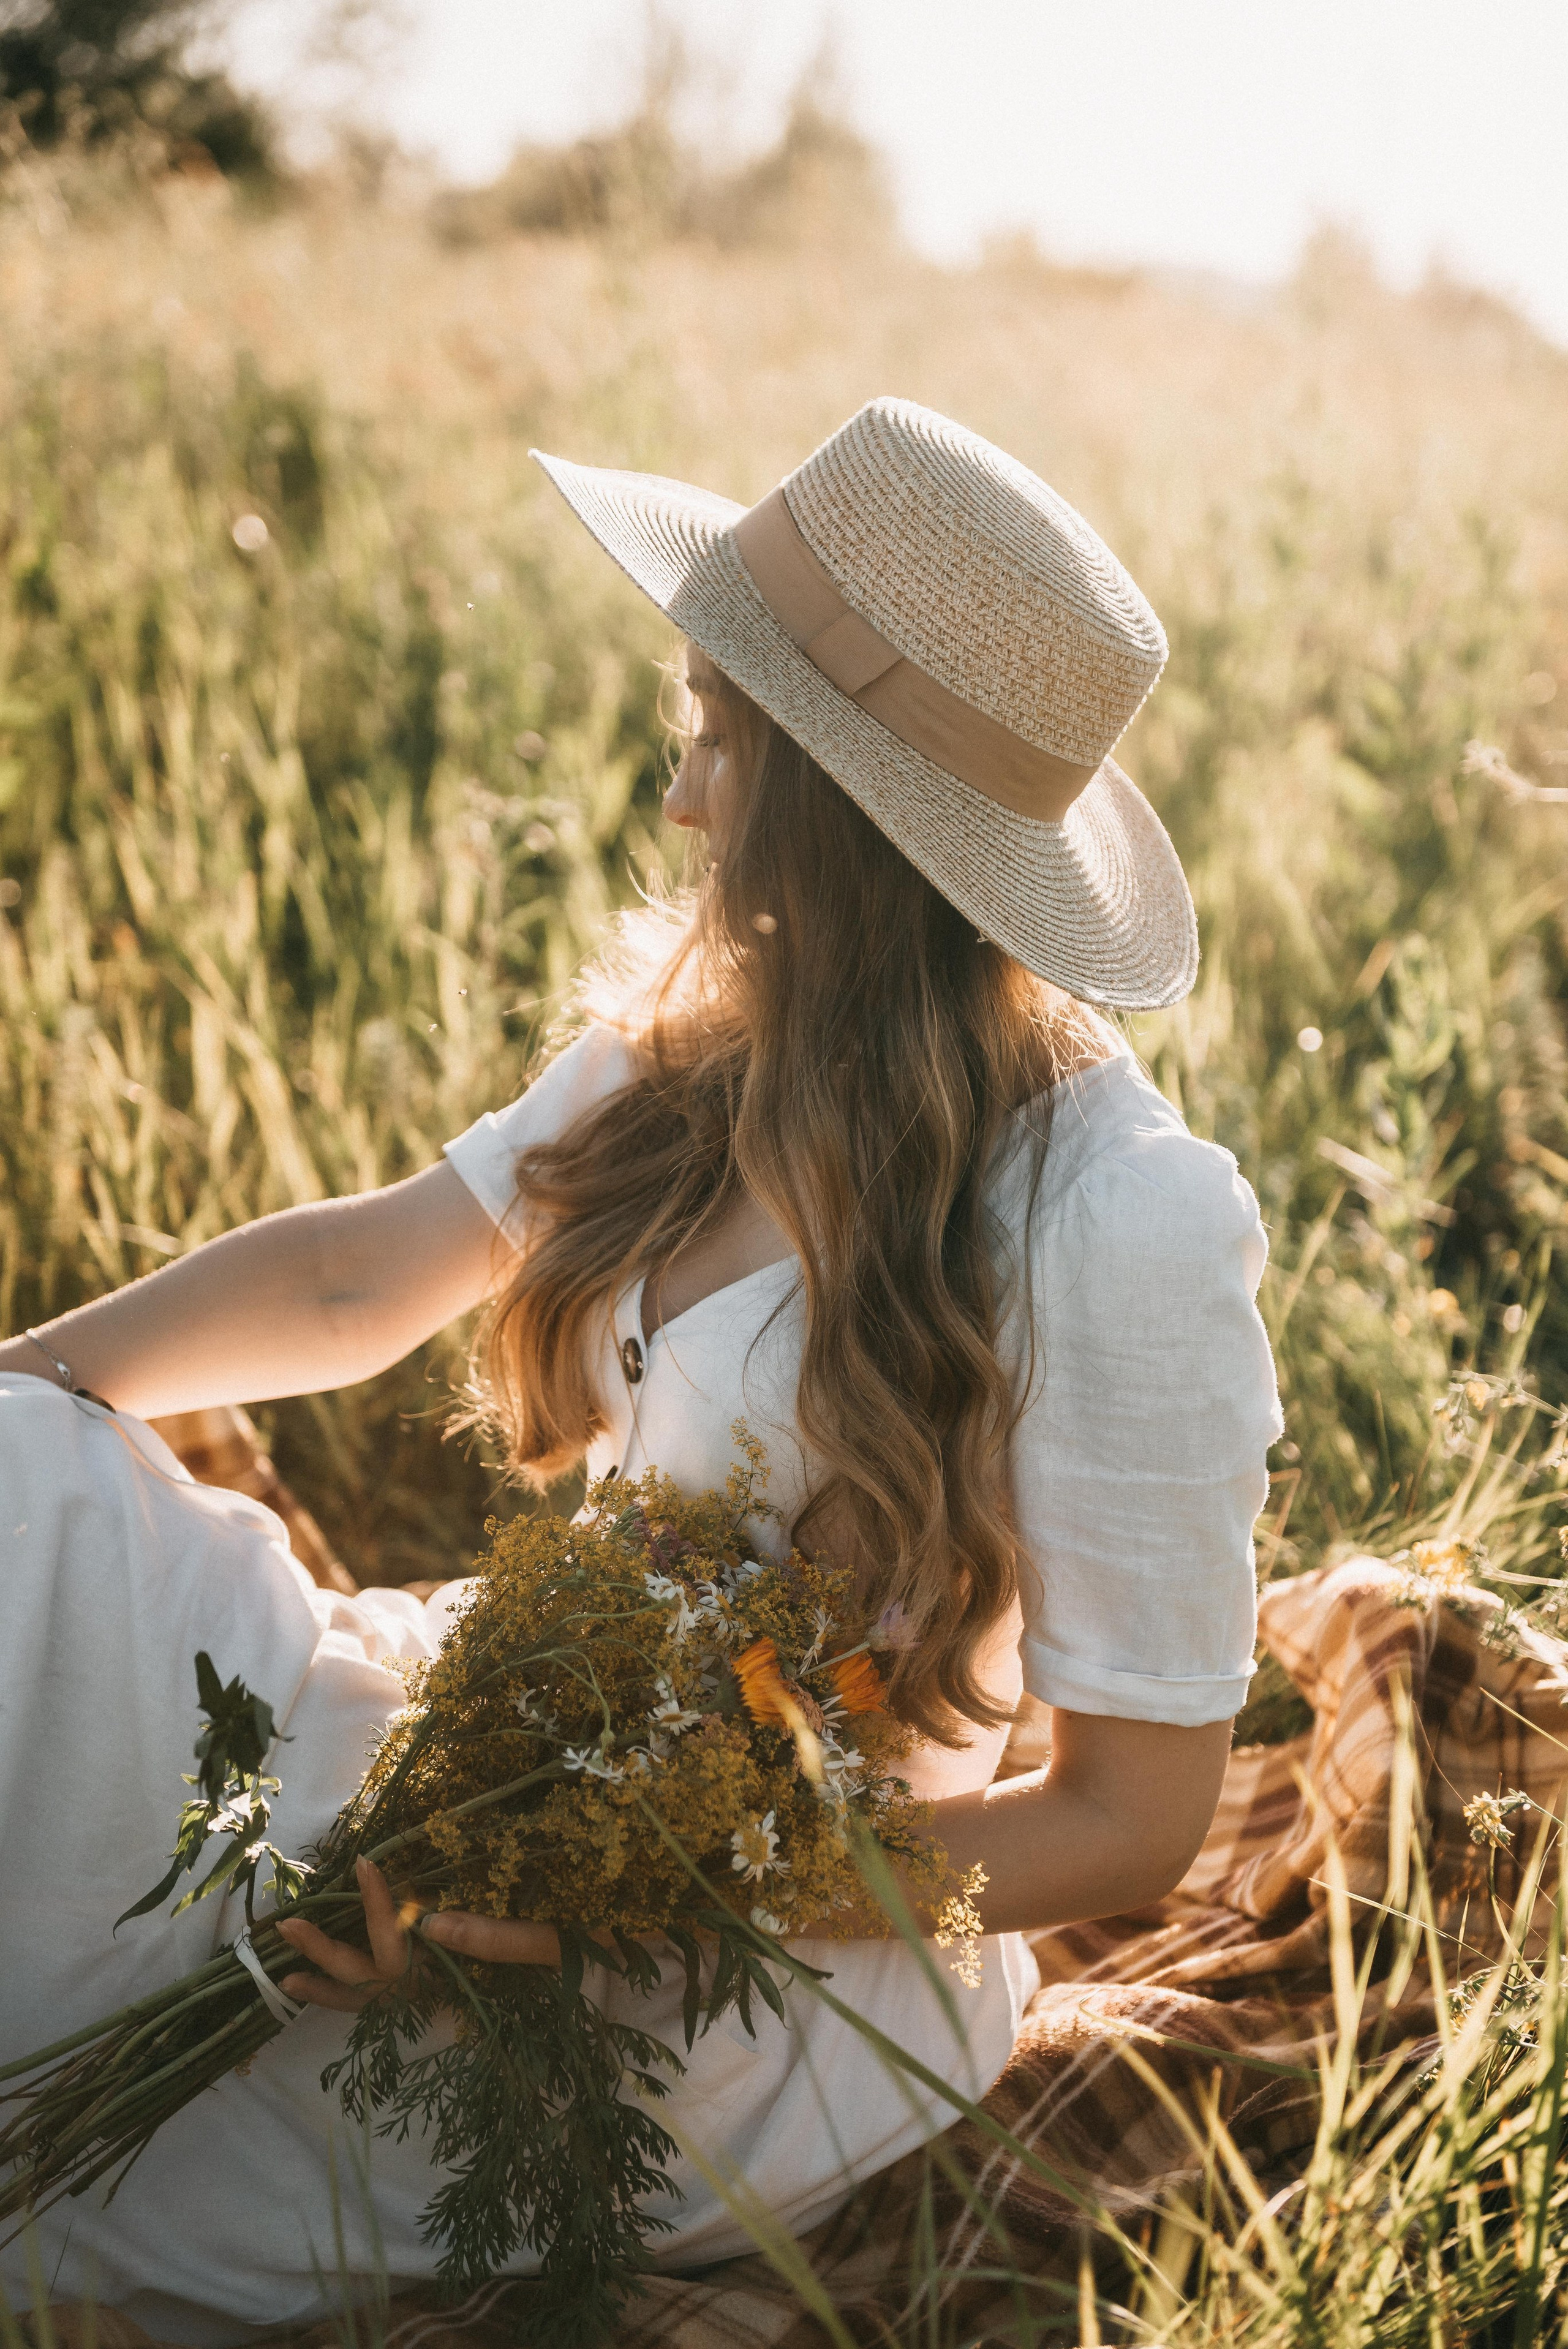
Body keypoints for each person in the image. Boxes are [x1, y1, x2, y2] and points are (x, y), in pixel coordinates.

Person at [0, 398, 1281, 2344]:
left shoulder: (1118, 1220)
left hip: (752, 1992)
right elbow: (363, 1277)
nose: (680, 797)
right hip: (509, 1757)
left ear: (836, 806)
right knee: (42, 1522)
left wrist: (648, 1886)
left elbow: (1130, 1816)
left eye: (713, 738)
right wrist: (20, 1386)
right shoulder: (703, 1041)